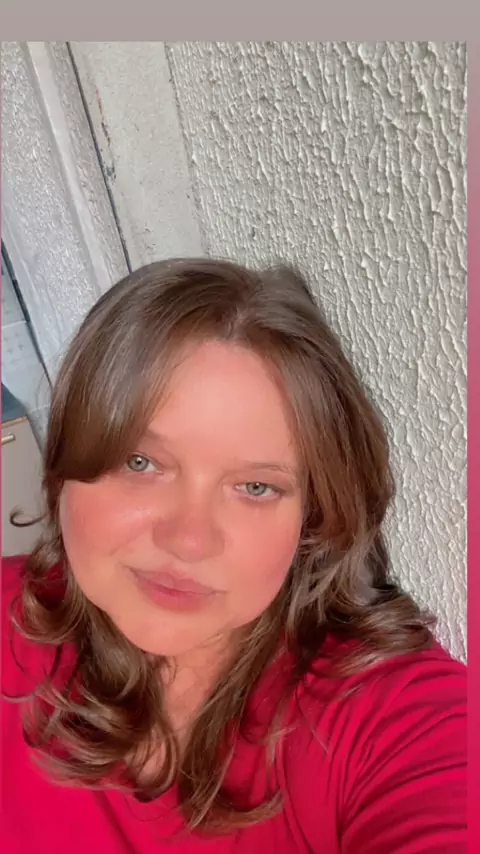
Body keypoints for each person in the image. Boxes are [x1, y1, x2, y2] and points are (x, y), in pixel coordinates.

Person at [2, 258, 466, 853]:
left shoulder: (390, 721)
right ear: (66, 459)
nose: (189, 540)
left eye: (255, 487)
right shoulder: (11, 617)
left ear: (313, 517)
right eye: (141, 462)